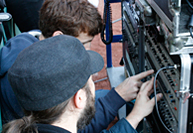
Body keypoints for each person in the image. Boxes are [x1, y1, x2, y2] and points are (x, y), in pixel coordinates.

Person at [0, 0, 157, 132]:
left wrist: (118, 95)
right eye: (84, 43)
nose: (88, 50)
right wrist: (132, 114)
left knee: (104, 94)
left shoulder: (27, 46)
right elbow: (75, 126)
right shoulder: (34, 79)